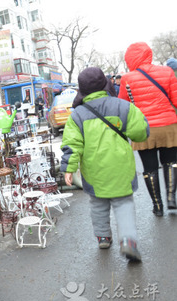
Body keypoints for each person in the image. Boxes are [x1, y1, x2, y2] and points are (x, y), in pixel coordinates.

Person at [61, 67, 149, 262]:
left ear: (81, 90)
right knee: (123, 203)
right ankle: (128, 241)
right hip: (121, 168)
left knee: (98, 204)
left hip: (94, 171)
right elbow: (140, 132)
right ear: (105, 84)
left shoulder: (77, 115)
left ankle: (103, 237)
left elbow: (72, 145)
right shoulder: (122, 106)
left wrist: (69, 168)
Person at [118, 42, 177, 216]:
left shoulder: (127, 78)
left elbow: (124, 106)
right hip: (168, 126)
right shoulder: (167, 72)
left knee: (150, 168)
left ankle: (157, 206)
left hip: (144, 129)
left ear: (130, 58)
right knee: (171, 162)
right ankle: (171, 198)